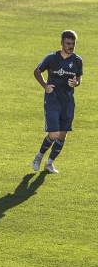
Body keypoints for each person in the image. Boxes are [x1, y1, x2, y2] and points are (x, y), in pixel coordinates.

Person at [32, 30, 83, 174]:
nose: (71, 46)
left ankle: (49, 163)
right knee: (54, 134)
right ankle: (39, 156)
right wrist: (45, 86)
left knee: (62, 135)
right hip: (52, 100)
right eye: (68, 43)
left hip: (68, 102)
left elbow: (79, 78)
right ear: (61, 43)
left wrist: (76, 83)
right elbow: (37, 71)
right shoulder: (51, 58)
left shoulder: (77, 60)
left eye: (73, 44)